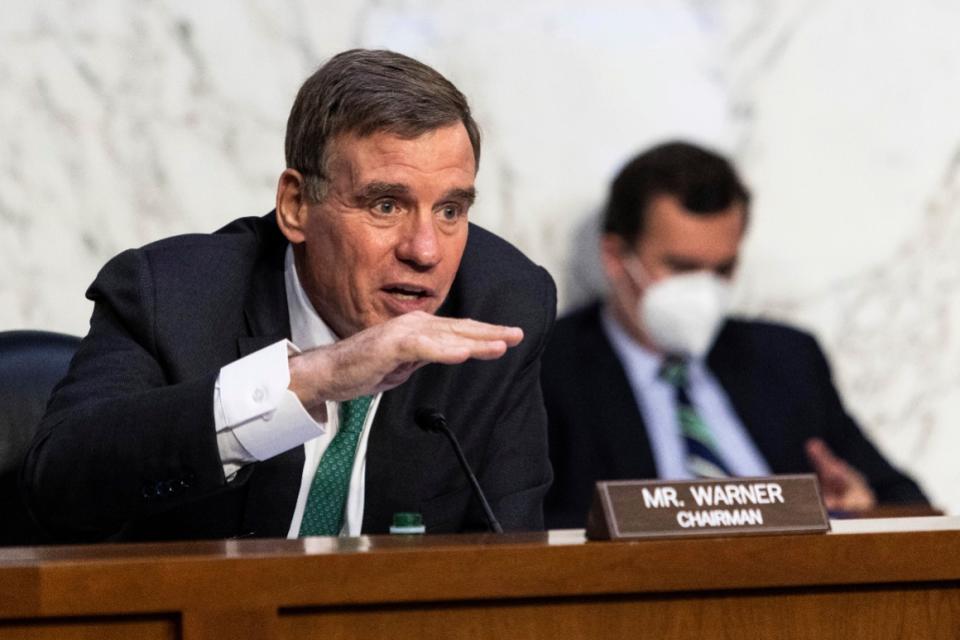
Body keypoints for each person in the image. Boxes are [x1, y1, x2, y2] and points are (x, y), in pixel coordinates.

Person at [22, 49, 556, 542]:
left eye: (450, 211)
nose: (425, 251)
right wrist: (310, 379)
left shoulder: (500, 305)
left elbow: (513, 562)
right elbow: (58, 484)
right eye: (386, 205)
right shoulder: (172, 294)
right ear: (296, 205)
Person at [542, 141, 927, 528]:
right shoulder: (547, 369)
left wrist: (856, 509)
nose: (704, 291)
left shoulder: (786, 358)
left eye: (722, 270)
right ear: (615, 257)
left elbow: (914, 509)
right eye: (681, 267)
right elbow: (521, 532)